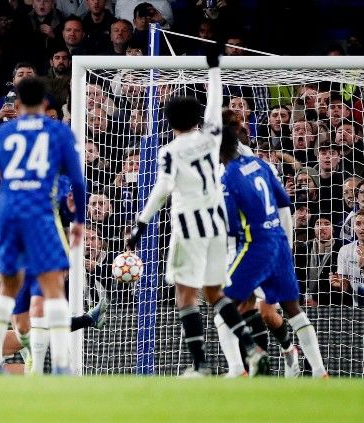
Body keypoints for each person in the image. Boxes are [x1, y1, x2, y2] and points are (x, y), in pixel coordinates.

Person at [125, 47, 268, 378]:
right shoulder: (212, 135)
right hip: (217, 226)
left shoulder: (170, 151)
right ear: (196, 118)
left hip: (189, 228)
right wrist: (214, 69)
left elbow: (161, 191)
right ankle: (252, 348)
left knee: (185, 295)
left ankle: (201, 364)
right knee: (214, 292)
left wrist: (139, 226)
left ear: (169, 121)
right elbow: (215, 103)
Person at [0, 76, 86, 374]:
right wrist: (79, 221)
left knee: (6, 288)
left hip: (8, 212)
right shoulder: (58, 132)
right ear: (46, 103)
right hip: (39, 211)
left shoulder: (1, 134)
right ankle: (62, 365)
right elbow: (77, 180)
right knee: (53, 289)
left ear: (18, 104)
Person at [218, 122, 328, 378]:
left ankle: (236, 370)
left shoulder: (228, 178)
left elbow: (231, 226)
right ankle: (320, 371)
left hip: (254, 248)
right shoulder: (263, 166)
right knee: (292, 311)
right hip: (278, 243)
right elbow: (284, 202)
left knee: (224, 310)